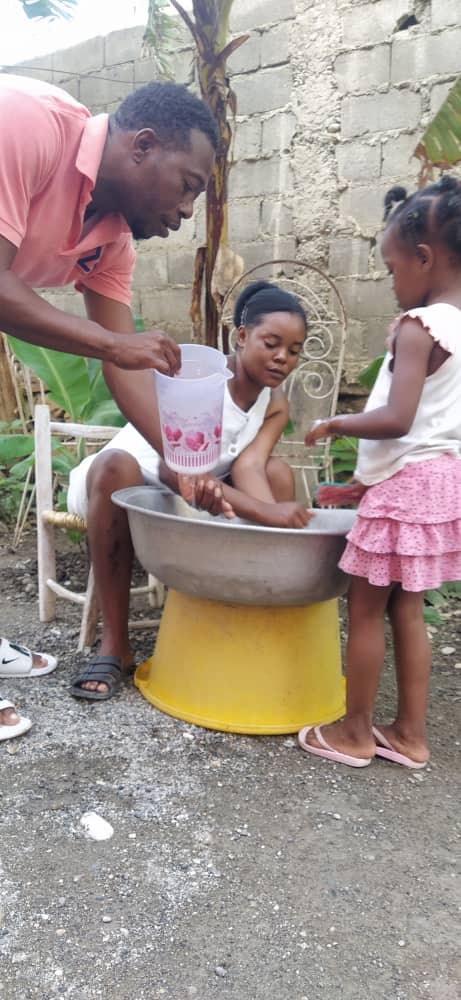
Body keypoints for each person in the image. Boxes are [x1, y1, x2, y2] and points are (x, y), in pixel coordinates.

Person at [0, 73, 218, 736]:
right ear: (143, 146)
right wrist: (110, 343)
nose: (185, 215)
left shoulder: (112, 239)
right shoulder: (28, 121)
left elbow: (122, 365)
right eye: (187, 186)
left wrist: (182, 461)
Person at [67, 280, 313, 700]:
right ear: (241, 336)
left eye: (293, 350)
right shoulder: (201, 379)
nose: (282, 358)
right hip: (122, 482)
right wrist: (265, 513)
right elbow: (170, 466)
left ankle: (250, 615)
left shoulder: (274, 404)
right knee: (116, 464)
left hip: (182, 496)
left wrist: (278, 537)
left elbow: (251, 467)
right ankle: (115, 645)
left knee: (278, 473)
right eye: (271, 343)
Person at [299, 175, 461, 770]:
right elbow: (432, 428)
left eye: (393, 270)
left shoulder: (421, 326)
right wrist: (368, 483)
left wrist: (338, 424)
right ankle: (411, 735)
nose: (392, 285)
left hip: (409, 487)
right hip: (438, 482)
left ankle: (354, 731)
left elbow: (397, 419)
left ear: (424, 258)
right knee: (407, 610)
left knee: (364, 609)